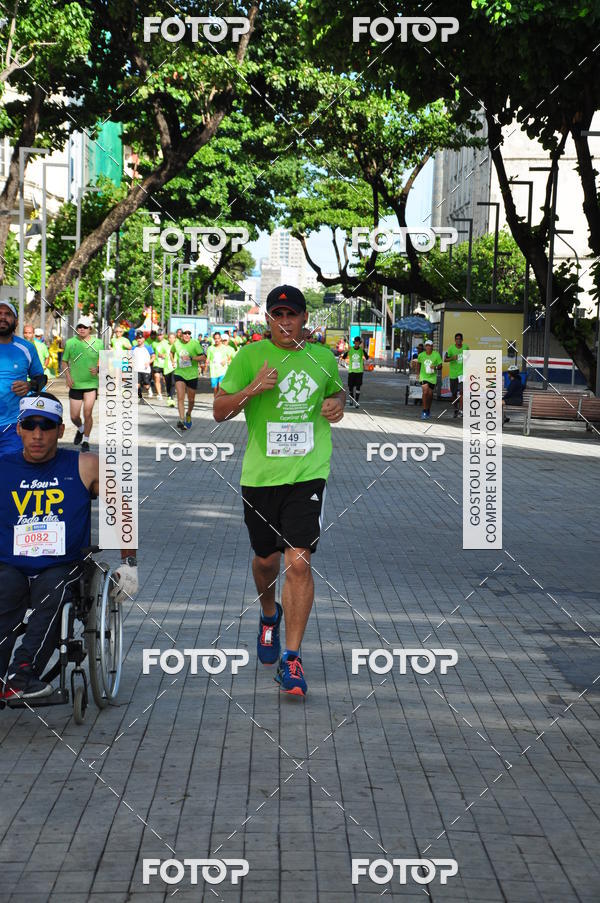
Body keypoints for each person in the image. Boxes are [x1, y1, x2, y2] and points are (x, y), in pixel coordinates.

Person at [214, 285, 345, 698]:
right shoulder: (249, 357)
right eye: (276, 315)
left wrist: (337, 405)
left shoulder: (322, 358)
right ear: (267, 319)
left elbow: (335, 393)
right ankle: (269, 613)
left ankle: (291, 658)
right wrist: (251, 389)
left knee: (299, 562)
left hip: (307, 474)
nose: (284, 322)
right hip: (260, 478)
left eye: (291, 315)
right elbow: (219, 410)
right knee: (266, 561)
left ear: (305, 318)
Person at [0, 392, 138, 699]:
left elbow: (121, 508)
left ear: (61, 430)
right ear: (19, 429)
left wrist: (129, 564)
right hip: (10, 564)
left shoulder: (85, 464)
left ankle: (21, 675)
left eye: (46, 426)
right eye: (30, 425)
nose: (38, 434)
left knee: (53, 593)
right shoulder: (3, 467)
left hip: (61, 564)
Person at [0, 302, 47, 457]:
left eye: (8, 314)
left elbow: (41, 379)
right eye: (0, 313)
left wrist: (30, 385)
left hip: (13, 426)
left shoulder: (26, 348)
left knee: (10, 472)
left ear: (16, 320)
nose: (3, 317)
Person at [62, 315, 104, 453]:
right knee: (74, 416)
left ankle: (85, 440)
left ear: (90, 329)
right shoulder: (70, 342)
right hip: (75, 384)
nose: (81, 329)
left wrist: (98, 368)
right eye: (79, 326)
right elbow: (64, 361)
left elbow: (105, 360)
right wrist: (67, 376)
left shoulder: (98, 343)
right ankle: (80, 429)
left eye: (85, 327)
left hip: (91, 384)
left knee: (88, 413)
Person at [170, 328, 205, 430]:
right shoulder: (176, 343)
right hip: (179, 373)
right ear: (181, 334)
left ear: (191, 335)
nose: (187, 335)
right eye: (185, 333)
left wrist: (191, 358)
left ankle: (188, 413)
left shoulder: (195, 344)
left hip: (192, 375)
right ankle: (181, 419)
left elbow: (203, 357)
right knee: (180, 397)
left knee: (191, 400)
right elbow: (171, 352)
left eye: (189, 333)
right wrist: (173, 361)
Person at [444, 332, 469, 418]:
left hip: (462, 373)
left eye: (460, 339)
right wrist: (452, 358)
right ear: (455, 340)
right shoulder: (451, 348)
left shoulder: (466, 347)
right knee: (454, 393)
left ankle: (461, 410)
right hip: (453, 374)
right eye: (457, 339)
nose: (458, 340)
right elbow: (445, 359)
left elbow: (469, 358)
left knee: (462, 392)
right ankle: (455, 409)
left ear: (462, 340)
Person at [417, 338, 442, 420]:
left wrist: (435, 367)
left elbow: (440, 366)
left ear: (432, 347)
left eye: (430, 346)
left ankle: (428, 409)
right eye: (427, 346)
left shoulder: (436, 355)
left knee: (430, 394)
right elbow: (418, 364)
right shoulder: (421, 355)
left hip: (432, 377)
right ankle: (424, 411)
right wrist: (418, 374)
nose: (428, 348)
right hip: (423, 376)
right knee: (425, 391)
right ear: (425, 347)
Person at [342, 336, 369, 407]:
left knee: (358, 387)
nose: (357, 343)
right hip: (351, 371)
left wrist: (364, 351)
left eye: (358, 342)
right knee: (350, 387)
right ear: (354, 343)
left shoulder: (361, 350)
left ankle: (356, 402)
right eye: (356, 342)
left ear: (359, 343)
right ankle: (351, 400)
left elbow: (367, 357)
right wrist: (347, 351)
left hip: (359, 371)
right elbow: (344, 357)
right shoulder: (350, 350)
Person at [206, 331, 233, 395]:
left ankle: (219, 402)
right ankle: (216, 402)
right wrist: (206, 364)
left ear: (220, 338)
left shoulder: (224, 348)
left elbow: (229, 358)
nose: (217, 340)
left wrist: (225, 361)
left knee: (220, 387)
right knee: (215, 389)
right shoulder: (210, 348)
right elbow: (208, 358)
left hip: (222, 371)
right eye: (215, 338)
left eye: (218, 338)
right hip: (214, 372)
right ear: (213, 339)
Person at [132, 331, 155, 401]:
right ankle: (140, 397)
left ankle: (149, 389)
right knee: (137, 384)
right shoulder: (133, 348)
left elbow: (153, 356)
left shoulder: (148, 348)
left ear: (143, 339)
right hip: (136, 369)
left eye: (140, 338)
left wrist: (149, 362)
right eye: (137, 338)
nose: (139, 340)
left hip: (145, 369)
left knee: (146, 385)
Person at [151, 328, 170, 399]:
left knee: (166, 380)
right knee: (157, 377)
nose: (159, 336)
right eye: (158, 335)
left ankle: (167, 390)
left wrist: (164, 355)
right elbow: (151, 353)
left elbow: (170, 352)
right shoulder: (153, 343)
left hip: (165, 364)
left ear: (163, 335)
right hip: (156, 363)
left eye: (161, 335)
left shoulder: (167, 342)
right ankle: (159, 394)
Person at [163, 332, 177, 407]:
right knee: (168, 384)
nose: (171, 339)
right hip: (166, 368)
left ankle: (171, 398)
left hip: (174, 367)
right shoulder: (165, 345)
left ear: (175, 338)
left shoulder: (177, 346)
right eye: (170, 338)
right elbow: (159, 353)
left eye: (173, 338)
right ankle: (169, 395)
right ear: (168, 338)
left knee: (173, 382)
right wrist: (161, 355)